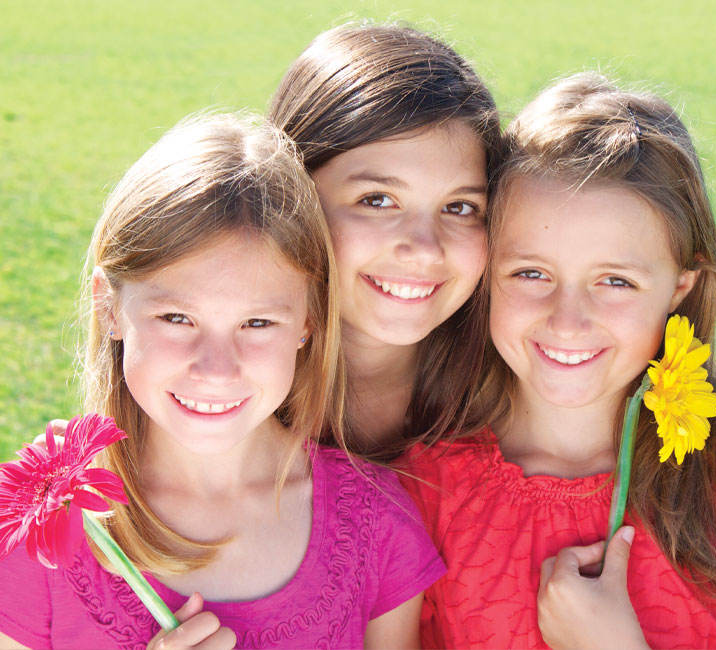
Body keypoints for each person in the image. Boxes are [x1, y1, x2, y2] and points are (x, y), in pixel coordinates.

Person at [0, 113, 445, 650]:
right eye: (177, 319)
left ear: (308, 321)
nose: (216, 368)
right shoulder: (41, 529)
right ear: (109, 306)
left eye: (257, 323)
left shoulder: (377, 523)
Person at [399, 73, 716, 649]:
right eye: (532, 273)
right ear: (487, 271)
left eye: (616, 281)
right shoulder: (424, 487)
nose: (567, 320)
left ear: (681, 287)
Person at [268, 22, 504, 459]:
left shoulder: (514, 403)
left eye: (459, 208)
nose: (426, 248)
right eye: (377, 200)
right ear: (291, 195)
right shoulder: (214, 386)